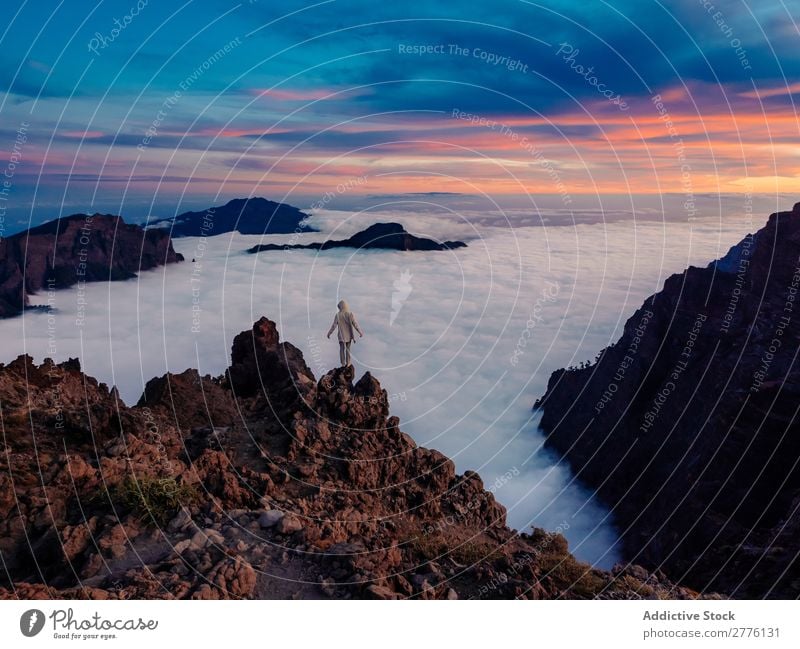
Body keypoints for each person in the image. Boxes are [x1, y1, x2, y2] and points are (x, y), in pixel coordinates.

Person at [327, 299, 363, 367]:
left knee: (341, 349)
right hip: (349, 336)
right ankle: (348, 363)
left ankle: (343, 363)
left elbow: (334, 325)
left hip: (341, 336)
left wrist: (329, 333)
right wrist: (360, 332)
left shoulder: (338, 315)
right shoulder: (350, 314)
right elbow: (355, 324)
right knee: (348, 349)